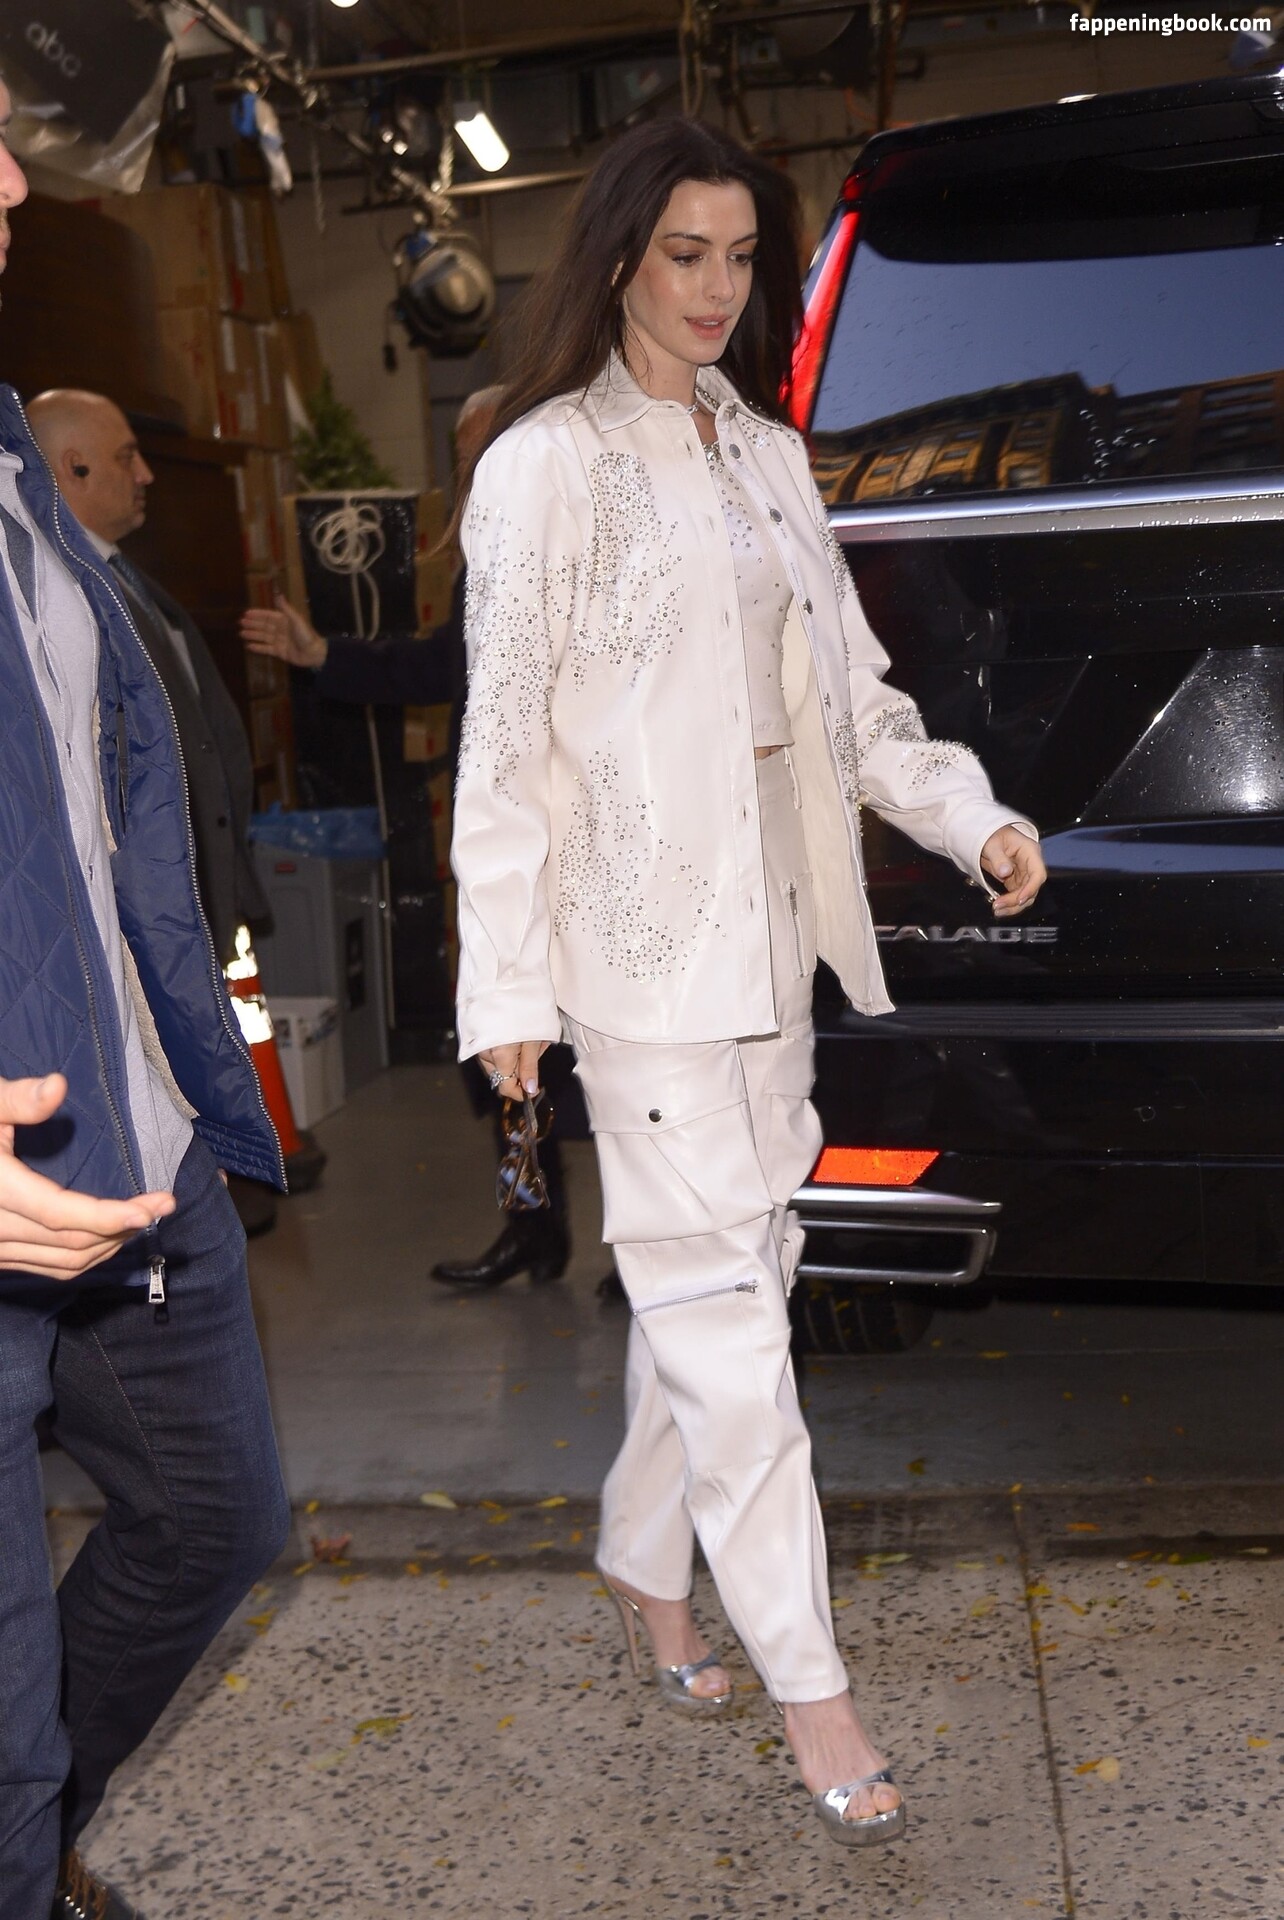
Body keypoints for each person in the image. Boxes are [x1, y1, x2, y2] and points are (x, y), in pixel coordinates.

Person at [449, 116, 1046, 1847]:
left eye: (738, 259)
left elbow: (853, 703)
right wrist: (505, 991)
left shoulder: (768, 456)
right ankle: (813, 1687)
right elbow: (501, 748)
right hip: (634, 963)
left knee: (736, 1282)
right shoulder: (544, 466)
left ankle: (644, 1562)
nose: (714, 288)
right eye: (682, 254)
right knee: (725, 1327)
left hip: (772, 950)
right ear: (618, 258)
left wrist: (968, 817)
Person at [0, 88, 290, 1920]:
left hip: (129, 1149)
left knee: (216, 1519)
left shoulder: (13, 467)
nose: (13, 175)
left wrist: (191, 1078)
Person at [239, 387, 596, 1294]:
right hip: (508, 852)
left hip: (586, 851)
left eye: (485, 452)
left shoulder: (584, 541)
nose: (470, 473)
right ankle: (532, 1223)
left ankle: (651, 1245)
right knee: (503, 1050)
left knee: (613, 1056)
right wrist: (324, 656)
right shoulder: (491, 551)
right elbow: (445, 662)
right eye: (465, 457)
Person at [26, 388, 271, 974]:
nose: (146, 474)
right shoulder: (61, 596)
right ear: (73, 467)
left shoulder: (118, 574)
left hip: (191, 904)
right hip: (143, 922)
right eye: (126, 457)